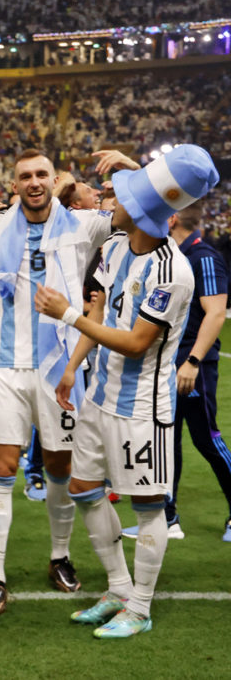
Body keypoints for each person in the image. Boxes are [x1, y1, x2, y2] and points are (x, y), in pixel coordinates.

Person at [35, 143, 218, 637]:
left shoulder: (172, 272)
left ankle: (140, 607)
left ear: (138, 211)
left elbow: (137, 343)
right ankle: (118, 587)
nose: (109, 202)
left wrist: (66, 315)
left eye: (119, 197)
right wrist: (73, 366)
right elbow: (99, 310)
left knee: (148, 503)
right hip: (99, 395)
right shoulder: (115, 246)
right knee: (83, 488)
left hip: (141, 409)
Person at [0, 146, 114, 613]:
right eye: (25, 176)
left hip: (60, 367)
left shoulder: (83, 224)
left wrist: (127, 171)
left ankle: (59, 556)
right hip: (7, 367)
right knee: (1, 468)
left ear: (53, 179)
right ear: (14, 184)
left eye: (41, 174)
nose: (34, 182)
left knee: (60, 468)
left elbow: (140, 214)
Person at [121, 200, 229, 542]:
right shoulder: (172, 258)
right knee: (167, 440)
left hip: (193, 368)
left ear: (172, 219)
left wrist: (193, 362)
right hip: (168, 366)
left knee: (207, 439)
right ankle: (168, 518)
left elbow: (216, 313)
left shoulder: (203, 256)